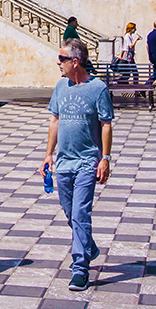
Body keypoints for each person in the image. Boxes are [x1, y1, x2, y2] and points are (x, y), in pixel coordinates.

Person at [42, 38, 113, 293]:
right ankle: (90, 247)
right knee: (69, 211)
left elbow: (106, 124)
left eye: (61, 59)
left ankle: (80, 268)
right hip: (63, 162)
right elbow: (54, 120)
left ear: (75, 62)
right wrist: (49, 154)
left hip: (86, 162)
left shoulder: (98, 89)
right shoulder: (61, 87)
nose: (57, 63)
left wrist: (105, 158)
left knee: (81, 214)